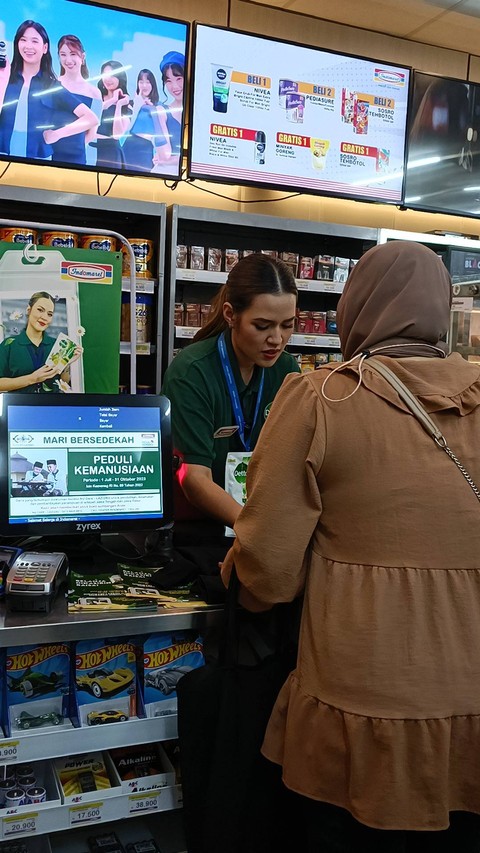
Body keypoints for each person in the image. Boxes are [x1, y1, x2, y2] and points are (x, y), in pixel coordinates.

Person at [221, 240, 480, 851]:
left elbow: (269, 568)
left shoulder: (323, 396)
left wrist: (241, 584)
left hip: (361, 702)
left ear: (355, 308)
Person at [161, 253, 300, 547]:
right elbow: (194, 479)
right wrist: (256, 531)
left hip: (259, 521)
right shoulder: (192, 372)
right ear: (230, 314)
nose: (276, 339)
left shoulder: (287, 370)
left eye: (287, 325)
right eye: (262, 326)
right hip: (198, 529)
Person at [0, 291, 81, 393]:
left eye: (50, 314)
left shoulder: (56, 345)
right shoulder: (9, 345)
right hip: (19, 407)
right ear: (29, 310)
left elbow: (63, 382)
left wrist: (67, 363)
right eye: (40, 310)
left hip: (50, 407)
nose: (44, 317)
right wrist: (32, 379)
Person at [41, 34, 100, 166]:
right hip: (50, 155)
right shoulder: (53, 85)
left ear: (82, 57)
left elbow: (91, 133)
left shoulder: (94, 92)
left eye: (73, 54)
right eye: (63, 54)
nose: (68, 60)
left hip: (77, 158)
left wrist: (70, 141)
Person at [0, 20, 56, 159]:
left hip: (39, 162)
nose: (28, 46)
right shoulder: (6, 76)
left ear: (45, 48)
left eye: (35, 41)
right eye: (23, 40)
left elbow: (88, 118)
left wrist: (58, 134)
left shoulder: (53, 86)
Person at [122, 69, 170, 173]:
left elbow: (164, 135)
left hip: (146, 148)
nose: (144, 85)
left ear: (153, 84)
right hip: (129, 145)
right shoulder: (130, 104)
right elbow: (126, 129)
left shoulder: (159, 106)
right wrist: (138, 106)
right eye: (141, 82)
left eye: (148, 82)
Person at [93, 60, 132, 170]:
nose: (108, 79)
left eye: (113, 75)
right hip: (89, 148)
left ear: (120, 78)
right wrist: (112, 100)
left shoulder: (126, 105)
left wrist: (118, 105)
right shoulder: (96, 97)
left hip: (111, 154)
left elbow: (117, 135)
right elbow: (92, 115)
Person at [154, 51, 184, 172]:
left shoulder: (200, 114)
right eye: (169, 81)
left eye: (178, 78)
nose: (175, 86)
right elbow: (164, 158)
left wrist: (177, 158)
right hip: (165, 174)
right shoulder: (161, 111)